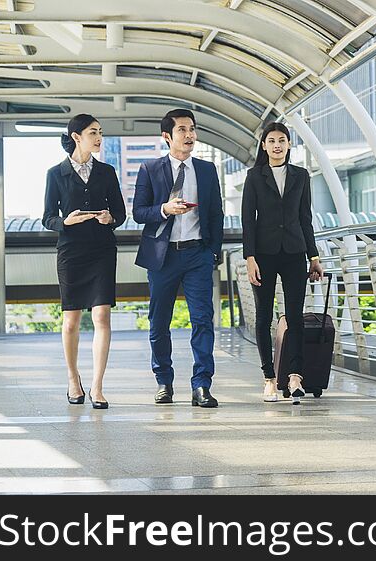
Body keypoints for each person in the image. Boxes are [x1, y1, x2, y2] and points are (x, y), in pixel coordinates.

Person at [132, 109, 224, 408]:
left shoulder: (207, 170)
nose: (189, 135)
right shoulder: (150, 168)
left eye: (192, 129)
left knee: (202, 320)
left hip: (197, 253)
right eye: (182, 130)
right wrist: (165, 209)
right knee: (159, 323)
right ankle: (163, 381)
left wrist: (212, 252)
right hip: (163, 257)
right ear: (167, 136)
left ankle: (201, 386)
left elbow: (216, 214)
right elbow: (138, 212)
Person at [42, 114, 126, 409]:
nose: (99, 137)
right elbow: (47, 217)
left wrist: (110, 218)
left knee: (102, 315)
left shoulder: (107, 171)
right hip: (71, 251)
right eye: (93, 132)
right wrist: (66, 221)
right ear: (76, 136)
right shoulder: (56, 174)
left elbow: (120, 213)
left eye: (101, 132)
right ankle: (72, 378)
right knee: (71, 320)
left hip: (102, 249)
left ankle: (98, 386)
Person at [242, 123, 323, 405]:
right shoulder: (254, 177)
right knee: (264, 317)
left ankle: (295, 377)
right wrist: (249, 257)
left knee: (295, 317)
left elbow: (305, 218)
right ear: (264, 145)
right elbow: (247, 220)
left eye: (282, 140)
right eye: (271, 140)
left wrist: (313, 256)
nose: (277, 145)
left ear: (289, 145)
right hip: (263, 254)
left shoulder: (301, 176)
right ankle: (269, 379)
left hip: (293, 251)